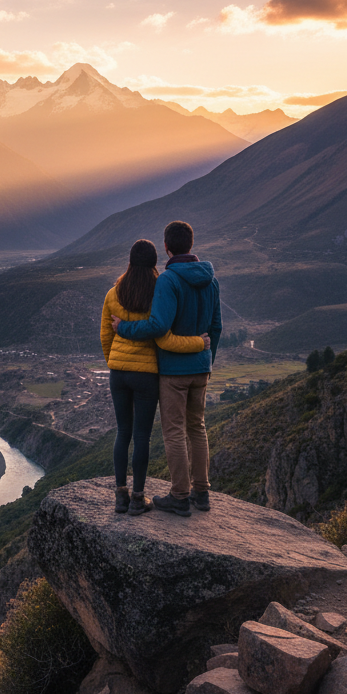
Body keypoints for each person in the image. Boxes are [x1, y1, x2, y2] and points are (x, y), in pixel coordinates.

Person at [111, 220, 221, 517]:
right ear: (191, 245)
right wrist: (207, 360)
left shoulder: (168, 280)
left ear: (167, 247)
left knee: (173, 431)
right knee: (197, 428)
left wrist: (125, 328)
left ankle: (180, 496)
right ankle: (202, 492)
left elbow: (158, 326)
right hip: (201, 367)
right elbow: (216, 326)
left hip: (174, 371)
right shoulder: (212, 280)